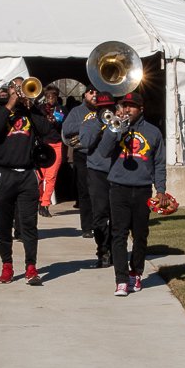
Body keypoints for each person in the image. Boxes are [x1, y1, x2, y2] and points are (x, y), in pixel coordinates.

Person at [0, 80, 55, 285]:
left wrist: (31, 108)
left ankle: (31, 266)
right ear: (9, 90)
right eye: (17, 87)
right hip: (3, 174)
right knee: (3, 224)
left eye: (25, 87)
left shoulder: (32, 112)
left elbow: (47, 132)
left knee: (29, 224)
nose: (22, 91)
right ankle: (7, 265)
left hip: (27, 174)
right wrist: (12, 102)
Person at [95, 92, 166, 296]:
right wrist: (115, 130)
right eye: (124, 105)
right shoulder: (115, 127)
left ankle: (136, 272)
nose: (127, 110)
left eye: (131, 106)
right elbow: (103, 151)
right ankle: (121, 279)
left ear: (140, 109)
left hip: (143, 188)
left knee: (140, 235)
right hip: (118, 187)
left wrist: (160, 189)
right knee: (119, 234)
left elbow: (159, 163)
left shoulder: (153, 132)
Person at [77, 91, 116, 268]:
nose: (106, 111)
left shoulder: (118, 123)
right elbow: (85, 143)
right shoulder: (89, 124)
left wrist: (115, 126)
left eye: (109, 108)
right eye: (102, 108)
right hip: (97, 172)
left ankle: (117, 251)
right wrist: (101, 123)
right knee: (99, 215)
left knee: (118, 215)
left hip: (117, 172)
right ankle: (103, 251)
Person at [62, 86, 104, 238]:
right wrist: (88, 126)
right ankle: (87, 227)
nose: (94, 95)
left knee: (100, 191)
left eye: (96, 92)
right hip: (83, 154)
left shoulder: (105, 110)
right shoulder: (77, 111)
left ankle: (100, 223)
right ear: (85, 95)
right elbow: (66, 129)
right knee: (84, 191)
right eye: (91, 92)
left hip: (100, 154)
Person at [35, 85, 65, 217]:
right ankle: (39, 200)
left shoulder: (61, 109)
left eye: (53, 97)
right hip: (42, 144)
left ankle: (45, 204)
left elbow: (60, 123)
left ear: (57, 97)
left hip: (56, 144)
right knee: (40, 176)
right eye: (48, 97)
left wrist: (54, 120)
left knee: (51, 176)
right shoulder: (40, 109)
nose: (50, 99)